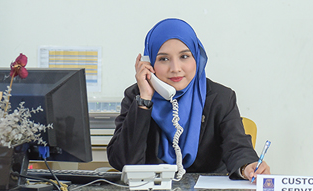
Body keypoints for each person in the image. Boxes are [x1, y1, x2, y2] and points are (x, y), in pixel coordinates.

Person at [106, 18, 271, 181]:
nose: (175, 68)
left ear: (197, 58)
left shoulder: (220, 98)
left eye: (184, 56)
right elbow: (123, 161)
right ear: (149, 63)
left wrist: (246, 167)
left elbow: (237, 147)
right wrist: (144, 101)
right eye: (163, 59)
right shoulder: (136, 96)